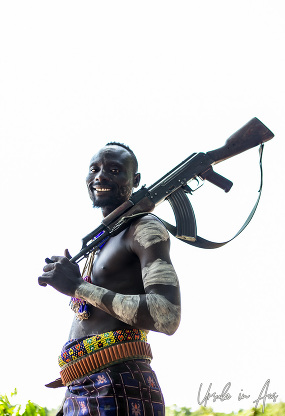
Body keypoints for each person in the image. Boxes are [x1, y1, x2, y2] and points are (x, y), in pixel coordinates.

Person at [38, 142, 181, 416]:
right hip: (82, 388)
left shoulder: (144, 227)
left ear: (135, 180)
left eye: (114, 170)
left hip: (119, 386)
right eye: (94, 169)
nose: (100, 176)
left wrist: (78, 287)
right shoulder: (99, 243)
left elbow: (167, 314)